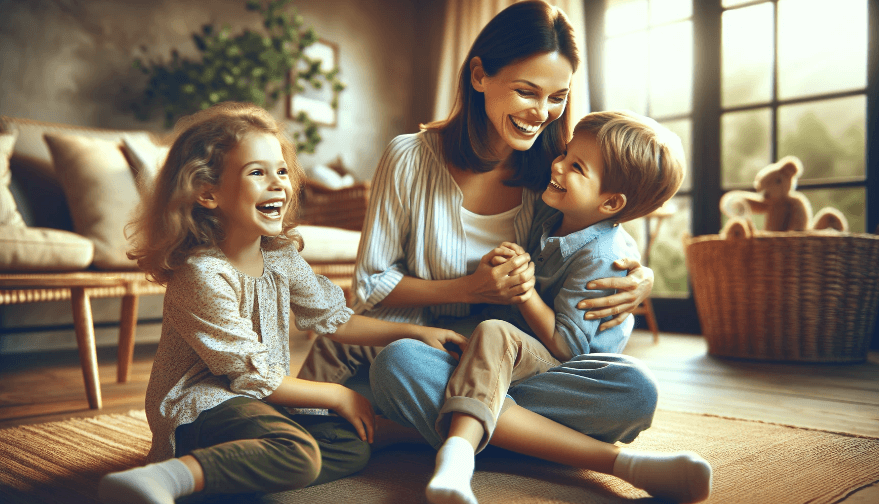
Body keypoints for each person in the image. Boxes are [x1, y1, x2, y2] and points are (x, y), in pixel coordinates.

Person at [299, 0, 659, 490]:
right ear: (479, 75)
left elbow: (600, 230)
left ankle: (426, 430)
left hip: (516, 363)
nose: (542, 113)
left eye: (557, 97)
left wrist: (639, 274)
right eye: (526, 92)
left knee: (636, 391)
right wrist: (471, 288)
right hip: (432, 351)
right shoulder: (408, 159)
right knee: (398, 365)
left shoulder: (553, 172)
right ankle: (582, 452)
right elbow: (370, 286)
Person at [97, 102, 467, 504]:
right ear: (207, 192)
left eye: (282, 171)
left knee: (351, 446)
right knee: (299, 451)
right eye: (257, 172)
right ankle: (165, 478)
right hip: (201, 407)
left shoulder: (280, 257)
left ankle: (227, 473)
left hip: (256, 401)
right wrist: (339, 394)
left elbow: (337, 320)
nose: (277, 183)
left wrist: (415, 332)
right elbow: (252, 376)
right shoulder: (201, 275)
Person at [426, 110, 712, 504]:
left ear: (611, 203)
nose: (557, 165)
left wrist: (524, 292)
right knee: (405, 358)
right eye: (565, 154)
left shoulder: (602, 257)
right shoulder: (553, 213)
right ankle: (518, 422)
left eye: (576, 166)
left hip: (565, 370)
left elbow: (569, 348)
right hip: (524, 362)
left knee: (636, 389)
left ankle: (458, 451)